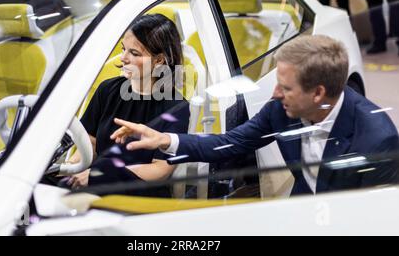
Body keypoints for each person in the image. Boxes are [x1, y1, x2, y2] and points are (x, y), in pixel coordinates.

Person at [111, 35, 399, 196]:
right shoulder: (281, 109)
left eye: (285, 88)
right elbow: (230, 142)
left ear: (318, 94)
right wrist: (164, 139)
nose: (274, 94)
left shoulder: (378, 140)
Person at [67, 13, 190, 195]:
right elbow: (90, 145)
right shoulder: (107, 90)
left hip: (138, 192)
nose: (123, 58)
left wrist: (101, 175)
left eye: (134, 53)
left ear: (159, 61)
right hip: (95, 185)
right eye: (123, 49)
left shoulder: (175, 106)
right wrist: (70, 169)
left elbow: (160, 170)